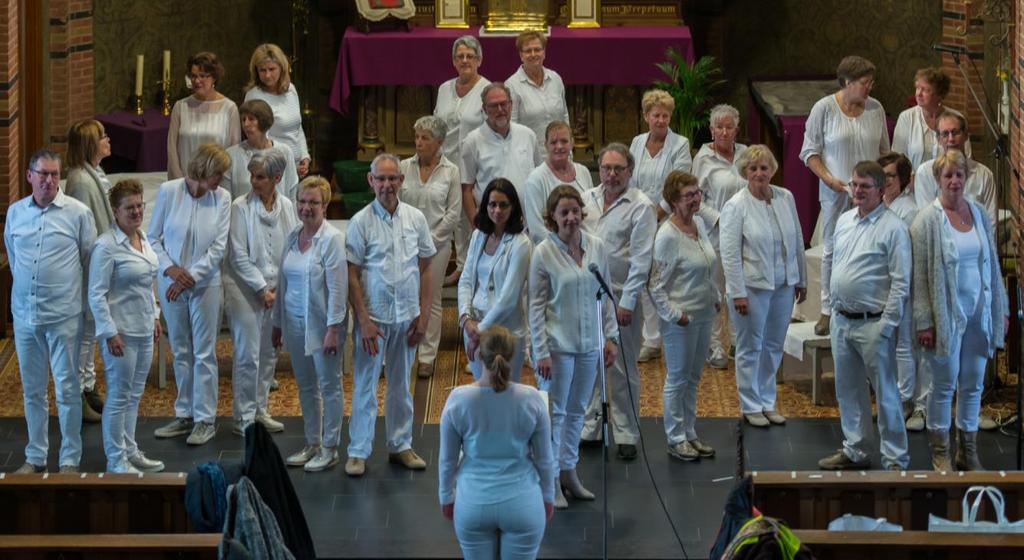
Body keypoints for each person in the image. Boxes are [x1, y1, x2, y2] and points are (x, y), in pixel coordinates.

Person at [912, 149, 1008, 471]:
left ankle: (968, 450)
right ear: (938, 180)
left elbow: (992, 265)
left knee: (973, 384)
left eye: (959, 175)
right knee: (943, 385)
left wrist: (1001, 308)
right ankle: (941, 453)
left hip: (978, 313)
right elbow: (920, 277)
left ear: (967, 178)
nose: (954, 181)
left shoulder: (978, 212)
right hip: (945, 316)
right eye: (948, 175)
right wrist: (925, 321)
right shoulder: (927, 220)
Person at [6, 149, 96, 473]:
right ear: (29, 176)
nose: (49, 181)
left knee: (67, 389)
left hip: (64, 317)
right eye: (42, 174)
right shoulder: (15, 213)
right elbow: (15, 259)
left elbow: (91, 263)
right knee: (32, 391)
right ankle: (35, 457)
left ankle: (70, 459)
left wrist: (87, 313)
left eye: (55, 174)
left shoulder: (78, 213)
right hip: (26, 317)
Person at [346, 154, 436, 477]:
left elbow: (426, 268)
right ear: (370, 181)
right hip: (375, 319)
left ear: (401, 180)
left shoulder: (416, 219)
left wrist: (424, 317)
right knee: (366, 383)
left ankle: (401, 444)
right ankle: (358, 449)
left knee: (401, 384)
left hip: (408, 316)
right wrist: (364, 320)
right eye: (380, 179)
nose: (386, 185)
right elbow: (352, 274)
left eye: (392, 179)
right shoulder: (360, 222)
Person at [817, 161, 911, 471]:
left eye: (864, 187)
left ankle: (895, 458)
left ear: (881, 191)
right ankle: (855, 449)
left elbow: (901, 282)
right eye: (854, 184)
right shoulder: (844, 221)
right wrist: (830, 308)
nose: (857, 191)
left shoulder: (894, 228)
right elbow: (836, 263)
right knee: (848, 391)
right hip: (843, 321)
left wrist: (888, 325)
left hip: (874, 323)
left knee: (885, 395)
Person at [529, 185, 618, 508]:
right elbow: (535, 307)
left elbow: (606, 297)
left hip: (589, 345)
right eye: (563, 212)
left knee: (579, 411)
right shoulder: (543, 252)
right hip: (557, 348)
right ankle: (549, 479)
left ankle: (569, 471)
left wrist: (609, 337)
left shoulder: (596, 247)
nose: (570, 217)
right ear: (552, 217)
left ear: (582, 212)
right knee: (556, 414)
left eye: (574, 211)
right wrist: (540, 351)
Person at [439, 326, 554, 560]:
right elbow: (545, 459)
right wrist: (548, 497)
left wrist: (446, 497)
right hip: (523, 505)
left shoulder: (458, 400)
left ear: (480, 354)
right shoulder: (532, 399)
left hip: (473, 504)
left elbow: (447, 461)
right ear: (512, 355)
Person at [148, 143, 232, 446]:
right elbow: (152, 238)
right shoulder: (170, 191)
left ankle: (205, 419)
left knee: (204, 353)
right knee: (181, 350)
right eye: (218, 173)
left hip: (205, 285)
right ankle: (184, 413)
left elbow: (218, 247)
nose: (221, 180)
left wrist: (190, 277)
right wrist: (171, 270)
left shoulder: (221, 199)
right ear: (204, 170)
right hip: (170, 282)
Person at [800, 55, 889, 336]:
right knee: (831, 249)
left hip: (872, 194)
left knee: (870, 248)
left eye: (871, 83)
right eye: (864, 83)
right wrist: (831, 180)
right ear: (847, 82)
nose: (869, 88)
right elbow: (809, 153)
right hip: (836, 191)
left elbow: (885, 153)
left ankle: (868, 302)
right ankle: (827, 309)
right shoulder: (824, 109)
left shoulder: (875, 109)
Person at [578, 143, 657, 462]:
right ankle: (592, 425)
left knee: (622, 369)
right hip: (586, 296)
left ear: (630, 171)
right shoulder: (586, 200)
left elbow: (641, 260)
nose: (611, 175)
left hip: (622, 298)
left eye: (618, 169)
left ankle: (626, 431)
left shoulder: (641, 205)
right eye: (606, 168)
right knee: (590, 363)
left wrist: (627, 302)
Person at [719, 145, 807, 427]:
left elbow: (797, 241)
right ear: (745, 172)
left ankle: (767, 400)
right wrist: (737, 292)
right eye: (753, 168)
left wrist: (801, 277)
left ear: (773, 170)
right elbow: (729, 253)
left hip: (783, 284)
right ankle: (750, 404)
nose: (759, 173)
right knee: (749, 347)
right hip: (751, 288)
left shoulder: (786, 197)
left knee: (773, 346)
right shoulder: (736, 205)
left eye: (764, 167)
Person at [88, 179, 164, 473]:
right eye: (129, 207)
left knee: (135, 394)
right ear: (116, 212)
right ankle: (115, 458)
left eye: (139, 205)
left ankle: (130, 449)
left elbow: (148, 284)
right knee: (119, 396)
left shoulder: (143, 238)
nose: (136, 212)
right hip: (120, 333)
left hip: (144, 329)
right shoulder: (106, 247)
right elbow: (96, 293)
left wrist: (156, 316)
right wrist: (109, 332)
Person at [272, 176, 347, 472]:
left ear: (325, 205)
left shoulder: (331, 239)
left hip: (322, 325)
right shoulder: (293, 236)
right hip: (293, 323)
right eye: (302, 201)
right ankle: (312, 443)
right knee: (305, 386)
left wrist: (333, 329)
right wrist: (277, 323)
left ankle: (330, 447)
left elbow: (339, 289)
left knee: (329, 386)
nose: (306, 208)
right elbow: (282, 281)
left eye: (313, 202)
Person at [225, 148, 298, 436]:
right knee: (247, 354)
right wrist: (261, 289)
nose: (254, 182)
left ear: (277, 178)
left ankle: (259, 408)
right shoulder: (239, 207)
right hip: (245, 289)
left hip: (277, 289)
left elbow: (292, 244)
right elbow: (238, 255)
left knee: (269, 352)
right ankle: (243, 416)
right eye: (252, 176)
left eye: (261, 177)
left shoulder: (288, 207)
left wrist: (280, 288)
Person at [649, 171, 720, 461]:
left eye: (697, 193)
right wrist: (674, 315)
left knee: (693, 378)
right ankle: (675, 437)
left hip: (703, 315)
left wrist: (715, 297)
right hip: (682, 320)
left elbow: (706, 264)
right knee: (677, 379)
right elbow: (654, 283)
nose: (695, 200)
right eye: (688, 195)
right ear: (673, 200)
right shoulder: (667, 235)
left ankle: (690, 432)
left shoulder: (700, 224)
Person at [628, 88, 692, 363]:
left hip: (669, 220)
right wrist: (637, 214)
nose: (661, 121)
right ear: (646, 117)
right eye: (656, 115)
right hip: (640, 219)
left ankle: (675, 332)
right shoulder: (637, 142)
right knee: (643, 276)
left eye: (665, 116)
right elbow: (630, 180)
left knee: (666, 277)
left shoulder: (680, 143)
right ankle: (651, 338)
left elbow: (679, 182)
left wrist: (656, 213)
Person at [399, 116, 462, 379]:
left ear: (440, 141)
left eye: (425, 138)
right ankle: (402, 350)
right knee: (405, 296)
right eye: (417, 137)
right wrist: (409, 241)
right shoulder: (403, 166)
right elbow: (396, 205)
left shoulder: (451, 171)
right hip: (405, 243)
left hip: (437, 245)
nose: (419, 142)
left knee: (431, 299)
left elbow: (454, 213)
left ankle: (426, 356)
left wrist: (430, 241)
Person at [691, 104, 747, 369]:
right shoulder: (703, 158)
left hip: (745, 235)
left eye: (729, 127)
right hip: (714, 233)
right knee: (715, 292)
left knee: (738, 291)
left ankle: (737, 341)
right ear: (711, 130)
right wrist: (721, 218)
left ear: (737, 130)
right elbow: (694, 199)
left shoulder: (746, 154)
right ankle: (715, 346)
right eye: (719, 127)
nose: (724, 132)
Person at [65, 118, 114, 422]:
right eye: (103, 137)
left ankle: (89, 387)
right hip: (88, 269)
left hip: (97, 265)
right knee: (84, 334)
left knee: (90, 332)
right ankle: (81, 392)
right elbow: (84, 233)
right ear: (90, 145)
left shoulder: (93, 173)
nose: (108, 140)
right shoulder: (81, 181)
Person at [458, 179, 531, 382]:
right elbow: (465, 280)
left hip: (506, 331)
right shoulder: (478, 235)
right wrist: (465, 319)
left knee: (506, 393)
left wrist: (478, 332)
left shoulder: (521, 244)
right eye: (492, 204)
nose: (497, 210)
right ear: (485, 206)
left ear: (513, 207)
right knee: (481, 392)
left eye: (503, 205)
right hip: (473, 325)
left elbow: (508, 299)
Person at [435, 35, 491, 287]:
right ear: (454, 61)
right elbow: (437, 124)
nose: (465, 60)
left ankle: (476, 265)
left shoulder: (486, 89)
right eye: (460, 56)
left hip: (475, 162)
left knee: (473, 215)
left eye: (470, 56)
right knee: (452, 215)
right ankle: (460, 266)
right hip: (446, 161)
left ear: (479, 60)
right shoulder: (444, 89)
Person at [878, 152, 926, 430]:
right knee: (889, 347)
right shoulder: (881, 204)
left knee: (906, 346)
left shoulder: (909, 209)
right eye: (882, 175)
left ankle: (906, 402)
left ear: (905, 181)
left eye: (891, 176)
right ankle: (894, 399)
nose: (886, 181)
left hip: (905, 286)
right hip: (882, 288)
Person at [461, 82, 540, 220]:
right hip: (491, 225)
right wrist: (476, 227)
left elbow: (539, 177)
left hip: (528, 222)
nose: (500, 109)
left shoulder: (528, 135)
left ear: (511, 105)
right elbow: (466, 190)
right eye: (493, 105)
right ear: (484, 109)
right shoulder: (472, 141)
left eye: (503, 104)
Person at [912, 110, 996, 225]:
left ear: (966, 136)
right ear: (938, 139)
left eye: (955, 132)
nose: (951, 139)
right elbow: (928, 222)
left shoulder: (984, 175)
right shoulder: (925, 173)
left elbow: (991, 223)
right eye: (945, 134)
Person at [167, 52, 241, 180]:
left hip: (217, 184)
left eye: (203, 76)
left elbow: (233, 152)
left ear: (214, 77)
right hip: (184, 183)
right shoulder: (180, 106)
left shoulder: (229, 108)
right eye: (193, 76)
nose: (197, 81)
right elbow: (171, 147)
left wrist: (216, 181)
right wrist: (180, 181)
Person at [244, 43, 311, 178]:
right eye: (262, 70)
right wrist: (288, 167)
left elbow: (298, 128)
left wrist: (305, 155)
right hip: (272, 169)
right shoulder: (254, 96)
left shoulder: (291, 89)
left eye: (271, 69)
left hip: (297, 167)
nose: (267, 75)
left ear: (281, 68)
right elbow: (257, 139)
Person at [522, 121, 593, 244]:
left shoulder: (583, 172)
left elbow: (592, 213)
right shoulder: (535, 179)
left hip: (585, 247)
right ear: (546, 145)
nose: (559, 146)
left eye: (564, 141)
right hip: (552, 254)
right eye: (553, 142)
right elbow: (536, 230)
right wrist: (567, 250)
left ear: (572, 143)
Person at [507, 30, 569, 162]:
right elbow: (511, 128)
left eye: (537, 49)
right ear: (521, 55)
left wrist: (568, 149)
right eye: (528, 51)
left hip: (561, 154)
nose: (533, 54)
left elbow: (564, 116)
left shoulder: (555, 79)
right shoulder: (512, 85)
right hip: (530, 158)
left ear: (544, 53)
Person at [892, 67, 971, 170]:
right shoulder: (907, 117)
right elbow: (897, 158)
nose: (918, 94)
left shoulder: (957, 119)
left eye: (925, 89)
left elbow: (966, 156)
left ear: (939, 94)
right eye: (917, 88)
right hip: (913, 183)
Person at [222, 99, 299, 201]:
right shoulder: (231, 155)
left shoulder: (285, 152)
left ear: (264, 121)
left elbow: (292, 194)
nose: (246, 124)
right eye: (243, 119)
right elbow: (226, 198)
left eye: (251, 119)